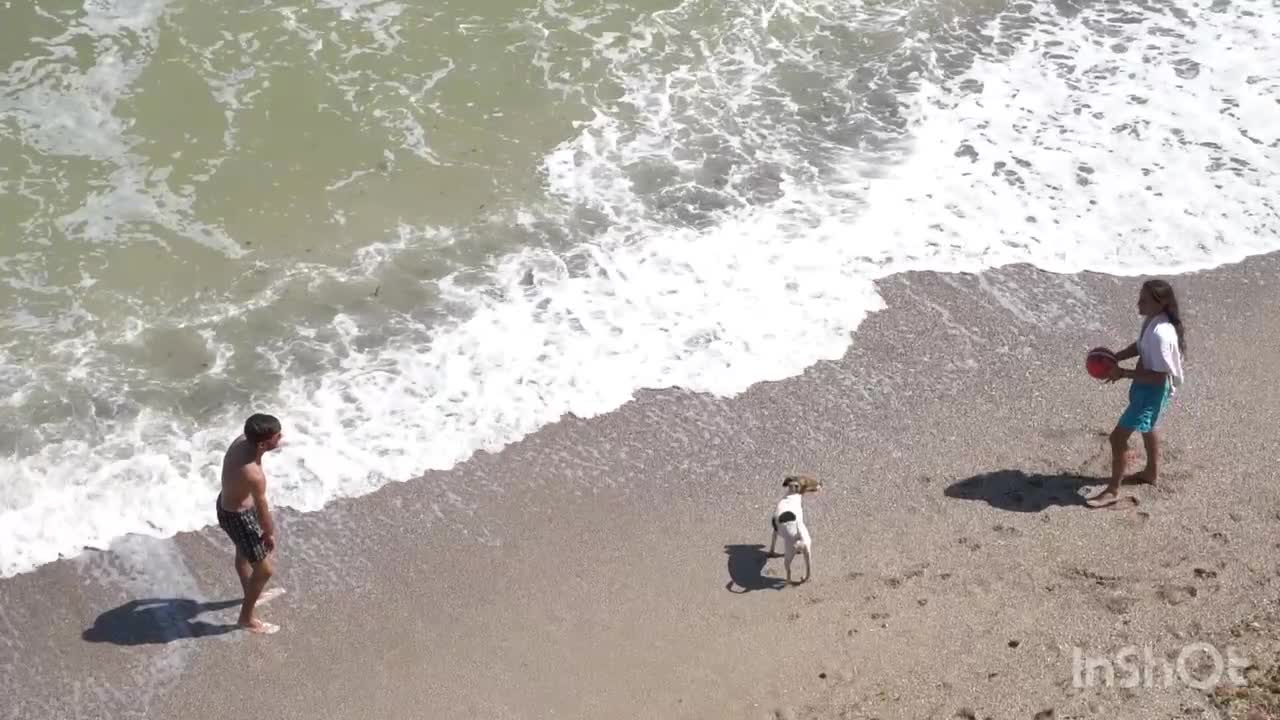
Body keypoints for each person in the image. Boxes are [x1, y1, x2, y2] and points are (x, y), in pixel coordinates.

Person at [1087, 280, 1186, 508]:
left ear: (1160, 303)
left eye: (1144, 300)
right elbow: (1140, 345)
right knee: (1149, 427)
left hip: (1150, 391)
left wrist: (1123, 373)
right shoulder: (1153, 321)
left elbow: (1159, 377)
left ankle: (1112, 490)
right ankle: (1151, 472)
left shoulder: (1162, 334)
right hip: (1144, 387)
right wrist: (1115, 357)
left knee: (1117, 438)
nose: (1138, 303)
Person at [217, 413, 284, 633]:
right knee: (264, 570)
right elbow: (262, 506)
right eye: (277, 436)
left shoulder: (242, 441)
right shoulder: (254, 475)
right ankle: (246, 618)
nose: (281, 437)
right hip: (237, 516)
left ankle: (251, 592)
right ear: (263, 443)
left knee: (243, 554)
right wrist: (269, 533)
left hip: (229, 503)